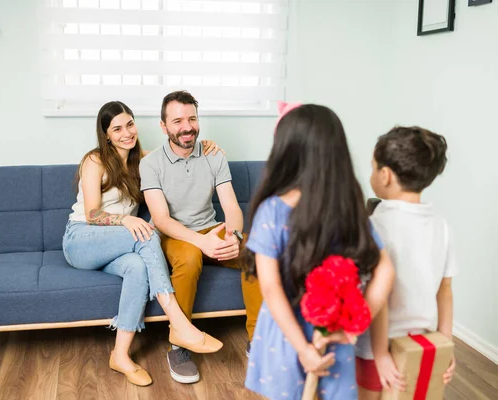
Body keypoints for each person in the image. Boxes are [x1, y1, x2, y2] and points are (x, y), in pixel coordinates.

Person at [62, 101, 224, 387]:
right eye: (117, 129)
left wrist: (206, 145)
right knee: (147, 233)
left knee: (137, 268)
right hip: (82, 239)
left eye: (130, 124)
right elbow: (91, 214)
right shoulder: (95, 160)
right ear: (106, 134)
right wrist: (125, 220)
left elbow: (178, 151)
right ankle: (178, 323)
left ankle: (120, 355)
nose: (127, 133)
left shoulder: (145, 161)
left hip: (119, 246)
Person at [243, 103, 395, 400]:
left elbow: (272, 290)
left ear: (285, 151)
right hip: (334, 330)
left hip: (286, 336)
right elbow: (386, 269)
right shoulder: (349, 209)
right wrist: (354, 324)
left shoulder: (271, 211)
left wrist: (302, 349)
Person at [140, 90, 264, 384]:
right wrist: (204, 242)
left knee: (256, 252)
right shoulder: (150, 164)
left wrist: (232, 235)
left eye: (192, 118)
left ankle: (258, 340)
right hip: (174, 235)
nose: (187, 127)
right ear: (164, 126)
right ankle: (179, 345)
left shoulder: (213, 155)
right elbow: (161, 219)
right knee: (191, 256)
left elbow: (231, 207)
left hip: (211, 228)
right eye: (178, 120)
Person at [355, 126, 457, 399]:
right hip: (421, 344)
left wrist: (380, 355)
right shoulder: (441, 226)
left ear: (385, 176)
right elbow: (445, 292)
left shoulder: (375, 224)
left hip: (375, 349)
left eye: (373, 168)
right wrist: (445, 345)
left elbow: (379, 295)